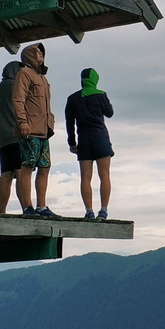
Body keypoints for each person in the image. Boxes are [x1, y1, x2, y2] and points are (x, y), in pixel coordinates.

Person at [11, 42, 58, 218]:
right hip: (29, 129)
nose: (40, 54)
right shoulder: (24, 73)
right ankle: (27, 207)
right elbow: (18, 100)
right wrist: (22, 122)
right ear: (29, 55)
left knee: (45, 166)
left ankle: (42, 206)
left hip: (44, 130)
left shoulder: (43, 79)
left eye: (41, 51)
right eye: (37, 51)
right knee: (28, 165)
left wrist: (51, 122)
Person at [64, 67, 114, 220]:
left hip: (84, 140)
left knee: (85, 177)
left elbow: (69, 122)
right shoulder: (101, 95)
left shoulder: (72, 98)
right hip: (100, 137)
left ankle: (89, 211)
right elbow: (110, 113)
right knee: (104, 175)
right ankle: (103, 210)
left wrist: (72, 143)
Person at [0, 60, 24, 214]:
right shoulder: (15, 87)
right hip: (17, 136)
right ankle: (26, 209)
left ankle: (2, 211)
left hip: (2, 137)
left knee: (6, 174)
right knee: (21, 171)